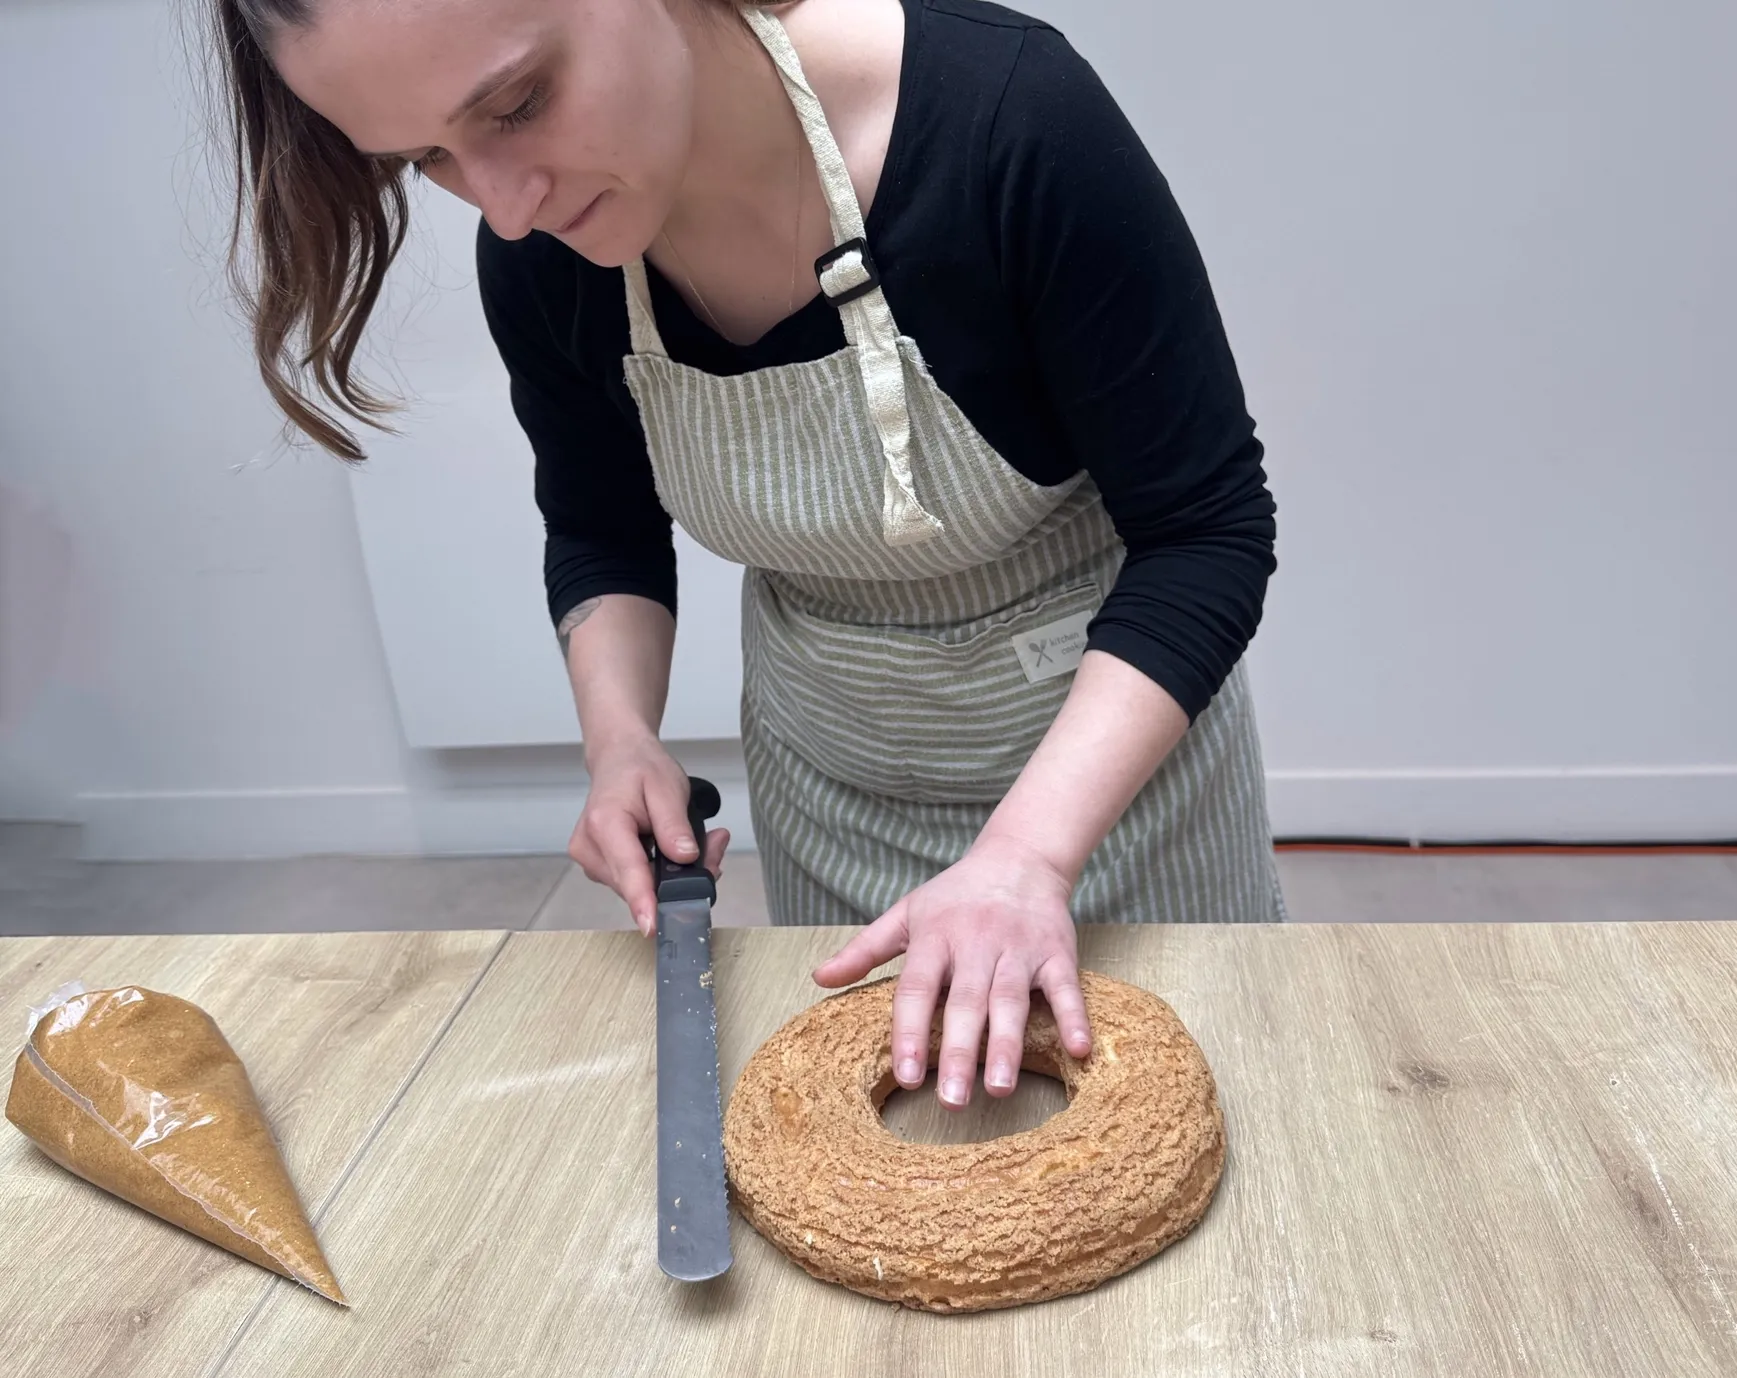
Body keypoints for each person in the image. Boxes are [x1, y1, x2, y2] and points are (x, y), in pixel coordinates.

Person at [213, 0, 1284, 1114]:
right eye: (427, 157)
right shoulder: (547, 261)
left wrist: (1030, 856)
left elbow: (1204, 531)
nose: (507, 204)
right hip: (836, 795)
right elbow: (602, 527)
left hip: (1116, 796)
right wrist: (621, 742)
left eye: (521, 102)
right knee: (886, 1188)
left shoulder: (1009, 120)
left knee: (1182, 1149)